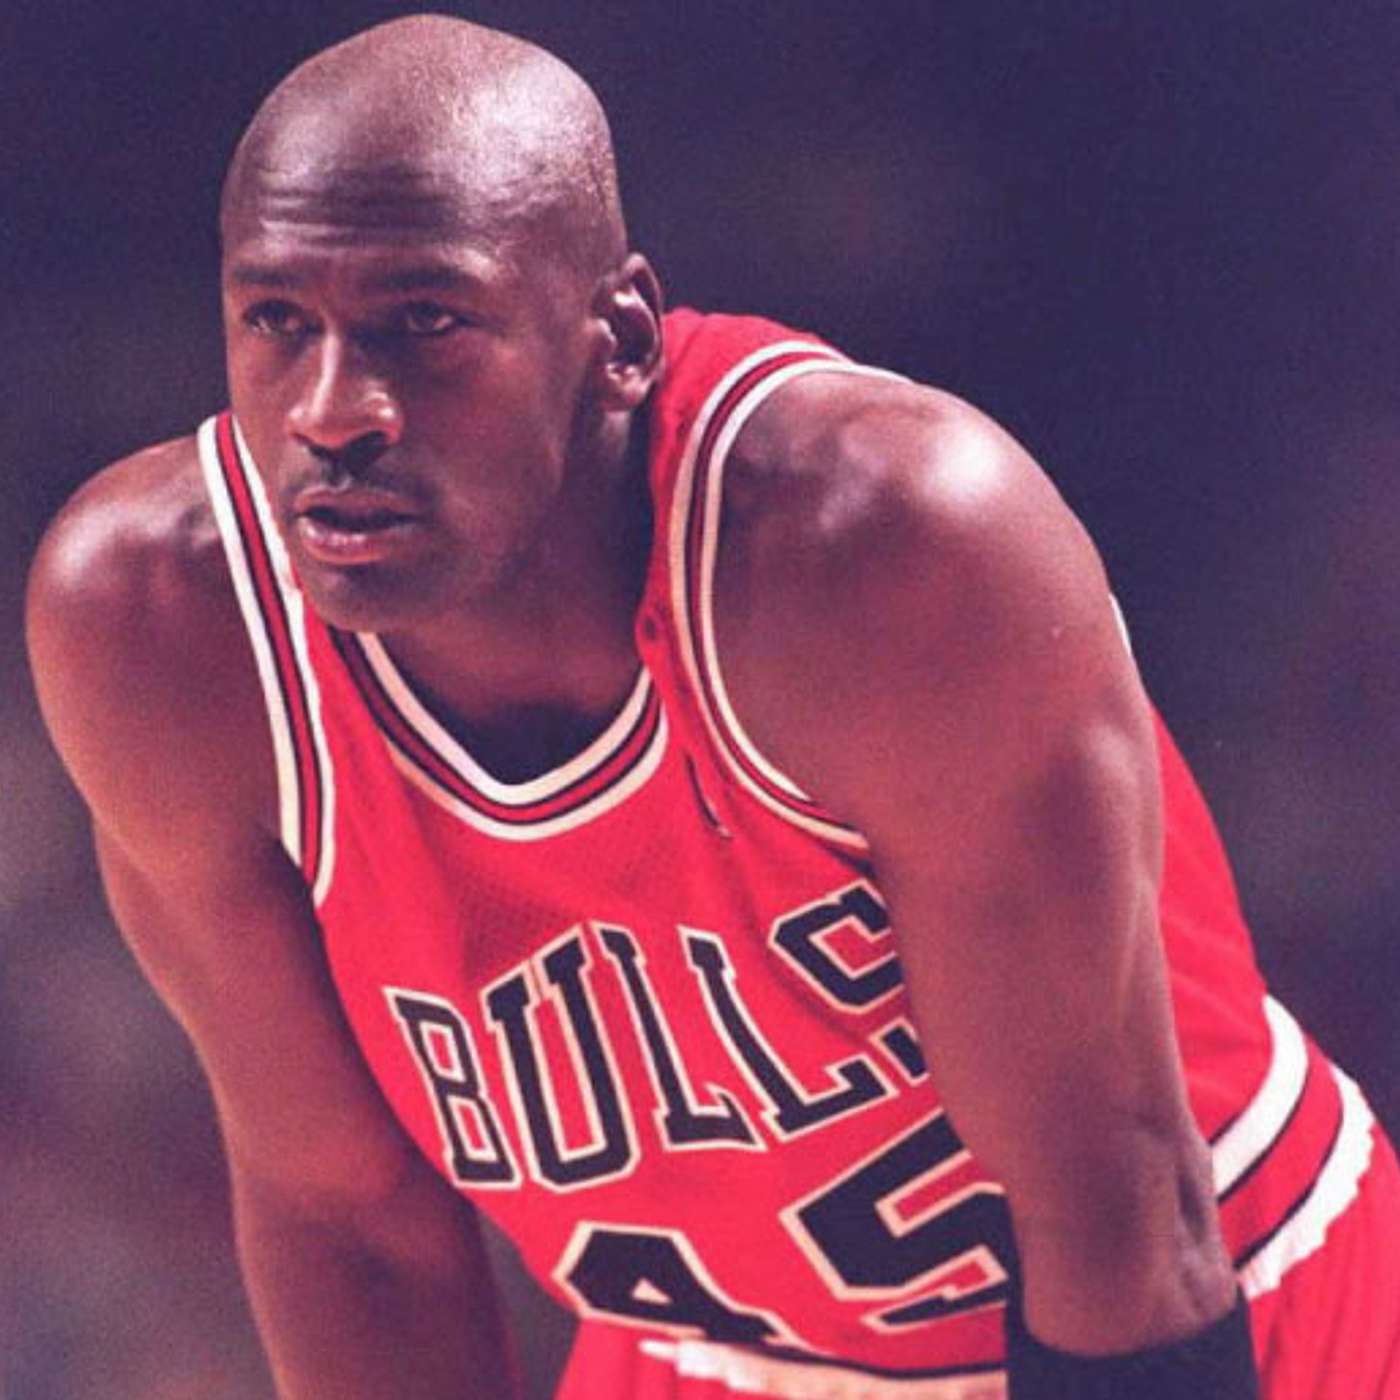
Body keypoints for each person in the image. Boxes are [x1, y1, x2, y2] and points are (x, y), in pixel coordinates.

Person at [25, 14, 1399, 1399]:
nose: (332, 410)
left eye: (425, 322)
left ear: (618, 339)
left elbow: (1119, 1219)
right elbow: (352, 1228)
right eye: (277, 320)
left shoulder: (884, 553)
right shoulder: (159, 623)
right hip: (718, 1359)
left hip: (1221, 1304)